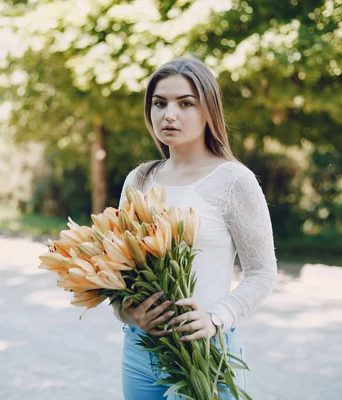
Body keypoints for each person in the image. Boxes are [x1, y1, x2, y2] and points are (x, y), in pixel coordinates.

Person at [113, 56, 278, 400]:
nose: (169, 114)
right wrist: (125, 312)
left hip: (207, 350)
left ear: (208, 111)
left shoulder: (234, 180)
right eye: (159, 103)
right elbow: (120, 268)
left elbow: (262, 273)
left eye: (185, 103)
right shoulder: (139, 179)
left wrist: (217, 318)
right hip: (140, 351)